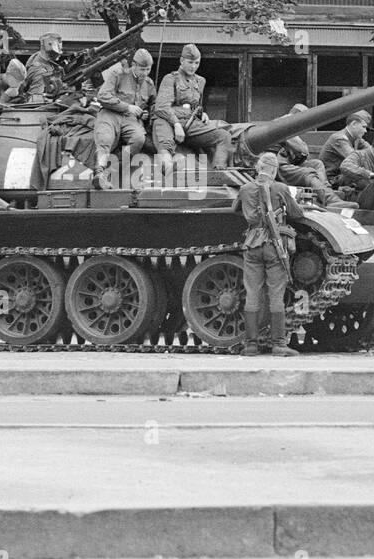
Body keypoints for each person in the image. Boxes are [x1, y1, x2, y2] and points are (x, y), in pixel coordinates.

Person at [234, 152, 301, 358]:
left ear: (258, 168)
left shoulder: (245, 189)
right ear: (274, 170)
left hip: (252, 245)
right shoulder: (280, 188)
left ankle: (251, 345)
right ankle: (279, 345)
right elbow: (297, 214)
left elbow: (235, 209)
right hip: (274, 246)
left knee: (252, 293)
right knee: (276, 294)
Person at [152, 44, 228, 175]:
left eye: (197, 63)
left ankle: (218, 174)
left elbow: (195, 105)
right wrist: (176, 124)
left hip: (191, 123)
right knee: (166, 145)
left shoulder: (200, 81)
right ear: (182, 61)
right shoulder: (170, 79)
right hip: (168, 121)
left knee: (223, 136)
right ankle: (170, 169)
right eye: (190, 62)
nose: (193, 66)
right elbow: (162, 107)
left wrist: (201, 113)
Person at [92, 47, 155, 190]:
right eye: (142, 69)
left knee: (139, 139)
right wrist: (127, 107)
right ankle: (99, 171)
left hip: (131, 119)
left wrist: (146, 114)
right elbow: (103, 96)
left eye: (148, 70)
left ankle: (110, 170)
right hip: (110, 113)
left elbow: (154, 105)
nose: (145, 73)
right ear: (134, 65)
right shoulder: (118, 74)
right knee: (105, 138)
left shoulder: (149, 84)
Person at [272, 104, 353, 208]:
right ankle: (330, 200)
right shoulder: (284, 124)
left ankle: (326, 190)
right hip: (279, 166)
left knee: (316, 164)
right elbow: (303, 150)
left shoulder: (287, 123)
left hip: (288, 163)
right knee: (307, 172)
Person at [318, 110, 372, 186]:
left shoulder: (357, 139)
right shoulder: (339, 138)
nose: (365, 131)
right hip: (332, 180)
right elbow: (353, 158)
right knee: (363, 177)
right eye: (363, 127)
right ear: (354, 124)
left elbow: (371, 151)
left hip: (343, 176)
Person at [21, 32, 67, 102]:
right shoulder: (40, 71)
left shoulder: (40, 57)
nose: (61, 51)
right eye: (58, 46)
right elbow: (35, 99)